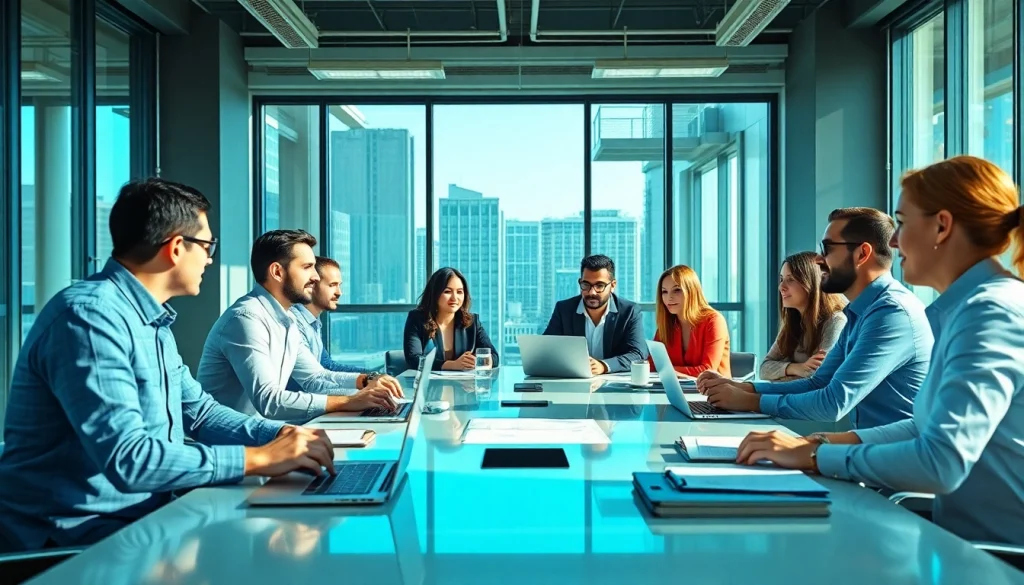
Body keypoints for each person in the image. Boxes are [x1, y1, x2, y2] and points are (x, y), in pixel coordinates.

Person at [0, 179, 336, 552]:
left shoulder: (153, 321)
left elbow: (201, 413)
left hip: (141, 520)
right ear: (176, 248)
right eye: (207, 246)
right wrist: (258, 458)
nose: (210, 258)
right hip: (71, 542)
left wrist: (280, 435)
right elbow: (129, 459)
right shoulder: (90, 318)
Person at [733, 156, 1024, 548]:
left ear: (942, 226)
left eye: (902, 223)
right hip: (961, 545)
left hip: (995, 559)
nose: (895, 241)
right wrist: (822, 444)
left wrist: (816, 456)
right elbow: (923, 427)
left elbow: (941, 461)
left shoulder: (989, 313)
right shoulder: (965, 310)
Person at [698, 207, 932, 428]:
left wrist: (750, 401)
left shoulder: (891, 313)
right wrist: (743, 388)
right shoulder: (859, 312)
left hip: (895, 454)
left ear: (862, 253)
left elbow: (833, 402)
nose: (819, 260)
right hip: (866, 447)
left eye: (827, 249)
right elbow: (818, 382)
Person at [197, 230, 400, 423]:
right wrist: (348, 402)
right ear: (277, 272)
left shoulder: (287, 318)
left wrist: (367, 380)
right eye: (307, 267)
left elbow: (315, 377)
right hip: (231, 442)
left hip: (263, 433)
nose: (316, 277)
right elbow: (269, 401)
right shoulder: (246, 319)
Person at [287, 256, 394, 387]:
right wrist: (365, 385)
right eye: (332, 285)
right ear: (312, 284)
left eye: (339, 285)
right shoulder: (295, 323)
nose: (339, 293)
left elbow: (328, 365)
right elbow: (312, 382)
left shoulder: (313, 322)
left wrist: (374, 375)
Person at [543, 255, 646, 375]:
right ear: (580, 282)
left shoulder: (629, 312)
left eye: (599, 286)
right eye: (586, 285)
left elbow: (638, 354)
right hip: (573, 380)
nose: (592, 292)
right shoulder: (564, 310)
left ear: (613, 285)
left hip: (613, 382)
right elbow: (546, 349)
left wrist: (604, 366)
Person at [759, 251, 848, 381]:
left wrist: (780, 376)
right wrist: (796, 368)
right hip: (790, 393)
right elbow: (763, 369)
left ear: (812, 283)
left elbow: (818, 376)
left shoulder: (835, 322)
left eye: (790, 280)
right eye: (781, 279)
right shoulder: (793, 323)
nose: (781, 287)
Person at [404, 267, 499, 371]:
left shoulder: (472, 322)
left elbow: (494, 356)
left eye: (459, 292)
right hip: (429, 381)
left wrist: (480, 361)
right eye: (447, 291)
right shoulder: (417, 319)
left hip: (464, 381)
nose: (454, 298)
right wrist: (452, 365)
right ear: (435, 293)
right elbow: (413, 359)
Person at [651, 265, 731, 378]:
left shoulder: (714, 321)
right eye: (664, 292)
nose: (669, 298)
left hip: (714, 388)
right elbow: (652, 365)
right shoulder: (667, 325)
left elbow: (708, 371)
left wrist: (667, 370)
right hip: (676, 388)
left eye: (677, 290)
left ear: (692, 291)